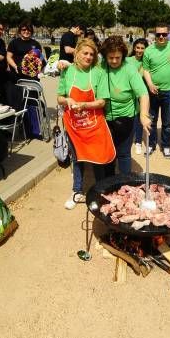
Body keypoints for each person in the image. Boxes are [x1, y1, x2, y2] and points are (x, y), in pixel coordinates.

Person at [57, 38, 113, 210]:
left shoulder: (98, 73)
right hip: (74, 126)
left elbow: (102, 101)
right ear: (77, 53)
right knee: (77, 159)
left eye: (91, 54)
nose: (88, 57)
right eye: (85, 53)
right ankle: (77, 191)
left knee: (97, 159)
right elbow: (59, 98)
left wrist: (84, 105)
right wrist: (67, 99)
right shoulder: (67, 71)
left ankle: (100, 192)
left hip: (94, 124)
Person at [100, 36, 151, 177]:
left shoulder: (129, 69)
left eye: (118, 57)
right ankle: (109, 183)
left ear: (123, 55)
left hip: (126, 118)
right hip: (104, 117)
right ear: (105, 56)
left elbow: (143, 94)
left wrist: (143, 115)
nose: (114, 61)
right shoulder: (101, 65)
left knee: (123, 153)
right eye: (111, 58)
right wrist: (65, 64)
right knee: (108, 153)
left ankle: (125, 182)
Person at [142, 23, 170, 158]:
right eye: (159, 35)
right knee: (151, 119)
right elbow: (146, 69)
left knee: (167, 122)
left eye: (164, 34)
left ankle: (166, 145)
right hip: (153, 91)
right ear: (155, 35)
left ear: (169, 33)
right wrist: (150, 84)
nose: (161, 37)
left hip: (169, 91)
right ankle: (151, 144)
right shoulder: (149, 50)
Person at [127, 38, 149, 154]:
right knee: (130, 116)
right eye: (138, 47)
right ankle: (128, 139)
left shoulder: (147, 61)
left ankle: (138, 142)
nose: (139, 50)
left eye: (142, 48)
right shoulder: (127, 60)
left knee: (140, 117)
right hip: (129, 92)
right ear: (134, 48)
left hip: (142, 92)